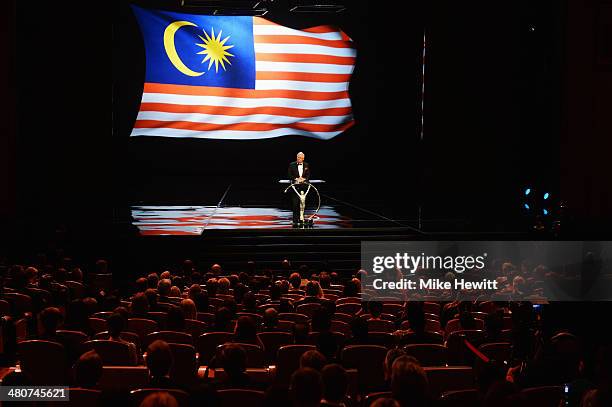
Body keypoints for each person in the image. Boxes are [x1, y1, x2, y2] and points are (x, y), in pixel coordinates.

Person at [287, 152, 311, 226]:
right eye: (298, 157)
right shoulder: (292, 164)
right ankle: (295, 220)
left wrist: (303, 179)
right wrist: (296, 179)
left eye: (300, 157)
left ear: (303, 158)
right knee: (295, 204)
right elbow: (289, 174)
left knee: (302, 204)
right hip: (295, 187)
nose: (299, 158)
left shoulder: (306, 165)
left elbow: (308, 174)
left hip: (303, 187)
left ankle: (301, 219)